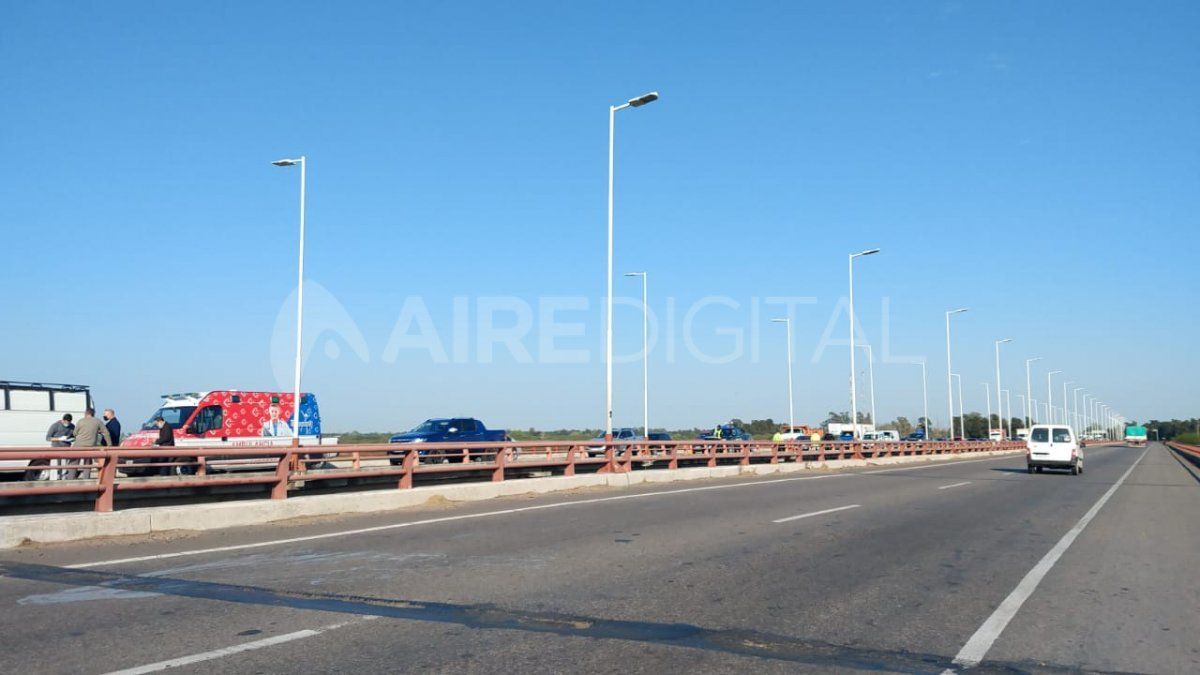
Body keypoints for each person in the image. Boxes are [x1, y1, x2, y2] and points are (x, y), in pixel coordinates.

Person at [68, 408, 112, 479]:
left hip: (78, 445)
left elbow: (75, 433)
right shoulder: (98, 421)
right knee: (87, 463)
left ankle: (70, 479)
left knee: (74, 463)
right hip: (90, 446)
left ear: (86, 413)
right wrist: (109, 445)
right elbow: (106, 433)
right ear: (93, 414)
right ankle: (86, 479)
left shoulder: (80, 421)